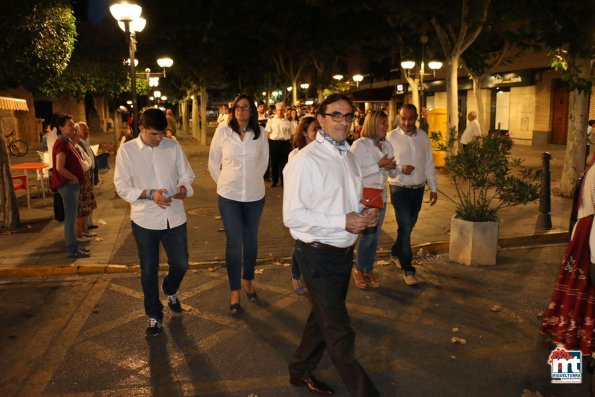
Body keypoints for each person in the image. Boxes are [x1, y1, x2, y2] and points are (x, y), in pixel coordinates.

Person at [283, 93, 380, 397]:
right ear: (321, 119)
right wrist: (343, 220)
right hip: (316, 256)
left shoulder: (349, 156)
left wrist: (366, 215)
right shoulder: (306, 160)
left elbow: (348, 204)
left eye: (348, 116)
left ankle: (299, 370)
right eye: (335, 115)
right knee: (339, 331)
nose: (343, 121)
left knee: (321, 320)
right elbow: (292, 216)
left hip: (342, 253)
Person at [114, 108, 195, 336]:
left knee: (181, 264)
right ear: (141, 129)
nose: (159, 139)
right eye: (153, 134)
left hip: (175, 216)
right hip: (144, 220)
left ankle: (170, 288)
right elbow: (122, 187)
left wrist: (182, 187)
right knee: (148, 270)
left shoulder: (173, 146)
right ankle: (154, 315)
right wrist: (150, 194)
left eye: (161, 134)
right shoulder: (127, 151)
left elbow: (187, 174)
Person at [208, 94, 269, 316]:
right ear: (233, 111)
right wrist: (224, 182)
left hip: (254, 196)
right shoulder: (223, 131)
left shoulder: (259, 133)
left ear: (252, 111)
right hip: (229, 196)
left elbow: (263, 162)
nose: (241, 110)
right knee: (234, 242)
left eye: (246, 107)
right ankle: (235, 290)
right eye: (237, 107)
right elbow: (213, 162)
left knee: (251, 240)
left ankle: (248, 280)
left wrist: (252, 180)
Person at [540, 154, 595, 356]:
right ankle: (569, 354)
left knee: (576, 289)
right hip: (589, 235)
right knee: (582, 291)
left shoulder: (592, 169)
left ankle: (567, 350)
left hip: (584, 231)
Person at [386, 104, 438, 286]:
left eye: (410, 118)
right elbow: (387, 166)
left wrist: (433, 188)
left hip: (418, 189)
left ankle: (394, 252)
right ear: (398, 118)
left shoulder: (423, 137)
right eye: (403, 118)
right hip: (399, 188)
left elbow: (429, 163)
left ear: (416, 118)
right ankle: (408, 269)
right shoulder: (390, 137)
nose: (406, 122)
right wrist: (401, 169)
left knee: (406, 228)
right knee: (406, 228)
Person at [350, 111, 397, 289]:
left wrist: (392, 168)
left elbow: (392, 173)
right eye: (383, 123)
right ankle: (358, 269)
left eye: (386, 123)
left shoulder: (387, 146)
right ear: (373, 124)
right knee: (367, 235)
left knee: (374, 236)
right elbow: (353, 171)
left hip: (380, 196)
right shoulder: (359, 145)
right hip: (364, 197)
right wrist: (378, 165)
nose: (386, 126)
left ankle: (368, 268)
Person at [287, 116, 319, 295]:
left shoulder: (325, 153)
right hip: (302, 207)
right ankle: (295, 274)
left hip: (320, 207)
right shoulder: (295, 155)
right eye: (315, 129)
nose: (319, 133)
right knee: (301, 242)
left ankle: (311, 276)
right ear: (305, 133)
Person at [50, 114, 89, 258]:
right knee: (71, 219)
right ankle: (72, 249)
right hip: (68, 185)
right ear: (61, 128)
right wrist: (74, 178)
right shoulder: (61, 143)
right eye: (70, 125)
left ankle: (74, 247)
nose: (73, 127)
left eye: (73, 124)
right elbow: (60, 167)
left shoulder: (66, 142)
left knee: (71, 217)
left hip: (71, 185)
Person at [71, 124, 96, 243]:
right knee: (81, 210)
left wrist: (87, 163)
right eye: (76, 131)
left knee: (86, 208)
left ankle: (84, 231)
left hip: (85, 179)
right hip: (80, 181)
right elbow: (84, 164)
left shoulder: (78, 146)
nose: (77, 134)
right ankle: (78, 234)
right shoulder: (73, 147)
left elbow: (89, 160)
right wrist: (87, 164)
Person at [265, 102, 294, 187]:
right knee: (274, 163)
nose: (280, 112)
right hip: (274, 143)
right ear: (275, 110)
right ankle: (274, 181)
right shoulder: (271, 120)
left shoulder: (288, 121)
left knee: (284, 164)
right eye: (278, 110)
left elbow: (292, 134)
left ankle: (283, 182)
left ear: (284, 110)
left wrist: (291, 145)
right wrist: (268, 143)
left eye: (282, 110)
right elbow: (268, 132)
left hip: (285, 143)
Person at [77, 121, 99, 232]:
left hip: (91, 173)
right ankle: (85, 226)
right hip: (86, 176)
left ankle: (89, 223)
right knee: (86, 203)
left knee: (90, 201)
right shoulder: (78, 144)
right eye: (84, 130)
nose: (87, 132)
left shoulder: (85, 142)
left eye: (87, 129)